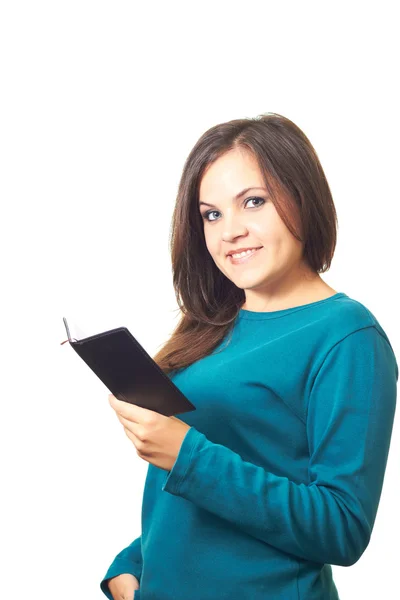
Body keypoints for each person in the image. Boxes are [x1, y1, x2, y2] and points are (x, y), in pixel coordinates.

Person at [100, 112, 398, 600]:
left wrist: (186, 454)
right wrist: (131, 566)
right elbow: (198, 501)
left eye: (253, 202)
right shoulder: (211, 323)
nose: (230, 230)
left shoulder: (348, 337)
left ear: (302, 198)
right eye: (211, 214)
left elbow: (342, 528)